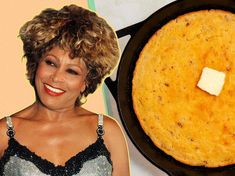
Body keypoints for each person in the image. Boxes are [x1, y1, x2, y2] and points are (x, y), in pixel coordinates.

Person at [0, 4, 130, 176]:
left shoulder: (108, 131)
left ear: (86, 81)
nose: (56, 78)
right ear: (37, 62)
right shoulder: (4, 133)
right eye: (51, 63)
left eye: (72, 71)